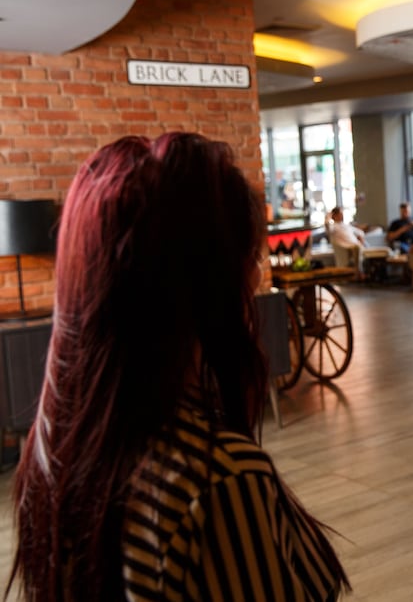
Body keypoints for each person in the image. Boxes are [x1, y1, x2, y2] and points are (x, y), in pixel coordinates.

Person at [9, 133, 350, 601]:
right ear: (209, 279)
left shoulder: (53, 446)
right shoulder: (217, 480)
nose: (255, 273)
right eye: (249, 257)